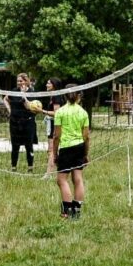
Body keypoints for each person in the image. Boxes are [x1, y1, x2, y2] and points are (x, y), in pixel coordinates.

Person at [53, 85, 90, 219]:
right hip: (79, 147)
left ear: (65, 96)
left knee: (61, 180)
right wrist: (85, 154)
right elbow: (86, 137)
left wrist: (55, 154)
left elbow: (57, 136)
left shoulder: (60, 112)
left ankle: (66, 212)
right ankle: (76, 212)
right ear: (79, 96)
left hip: (66, 148)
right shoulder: (83, 112)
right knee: (78, 179)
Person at [3, 72, 37, 173]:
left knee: (29, 145)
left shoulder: (31, 92)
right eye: (17, 81)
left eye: (21, 81)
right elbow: (5, 99)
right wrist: (10, 110)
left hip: (28, 123)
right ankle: (13, 167)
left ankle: (30, 167)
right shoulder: (14, 91)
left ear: (26, 81)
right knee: (15, 146)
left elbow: (29, 107)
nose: (19, 83)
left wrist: (23, 96)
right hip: (14, 122)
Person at [39, 78, 63, 179]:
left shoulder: (56, 96)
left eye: (48, 83)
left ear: (54, 85)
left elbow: (57, 113)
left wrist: (42, 111)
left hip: (55, 124)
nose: (46, 84)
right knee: (52, 150)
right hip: (52, 124)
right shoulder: (53, 96)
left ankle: (48, 174)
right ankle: (61, 169)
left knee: (52, 150)